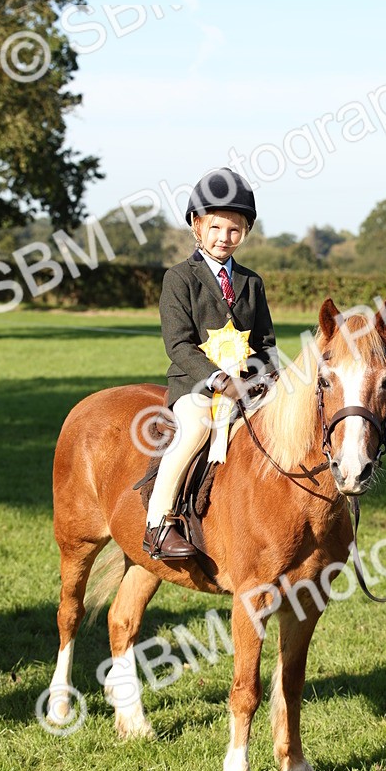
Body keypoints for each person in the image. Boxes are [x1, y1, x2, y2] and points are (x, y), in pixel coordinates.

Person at [143, 168, 278, 561]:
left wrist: (261, 378)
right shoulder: (179, 278)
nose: (224, 238)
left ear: (246, 232)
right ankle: (159, 523)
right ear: (196, 226)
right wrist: (220, 381)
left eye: (234, 230)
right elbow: (178, 345)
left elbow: (266, 343)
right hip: (196, 387)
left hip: (245, 388)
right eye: (216, 228)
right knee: (194, 431)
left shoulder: (252, 283)